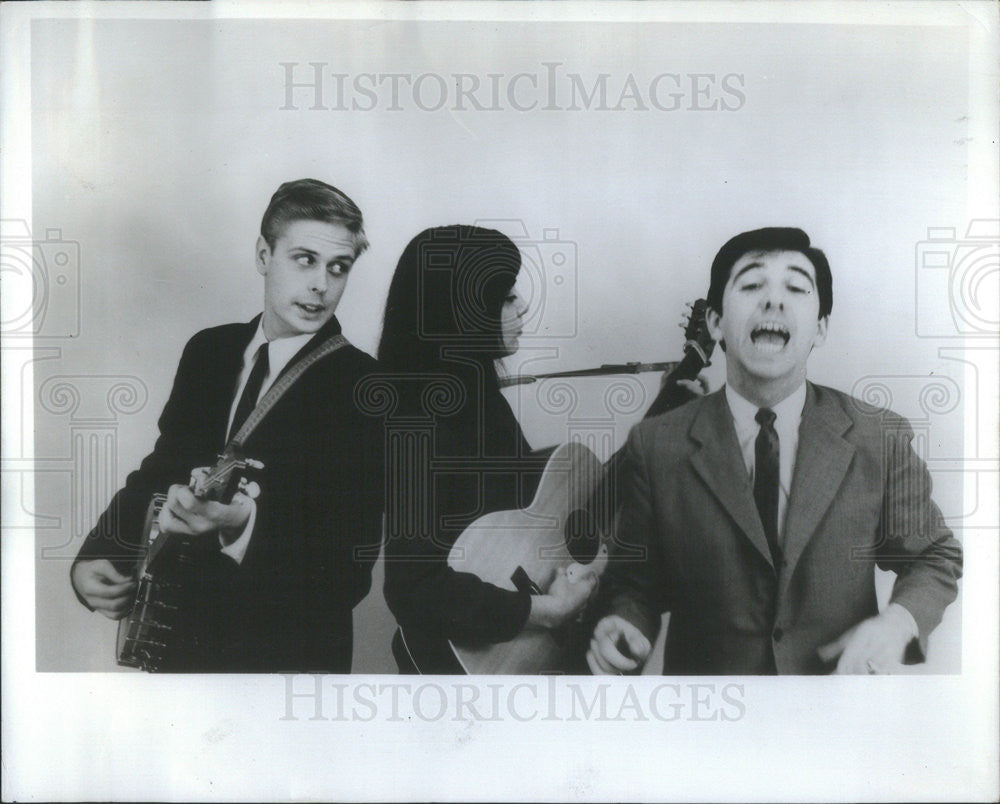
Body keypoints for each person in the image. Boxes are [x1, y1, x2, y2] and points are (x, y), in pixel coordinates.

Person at [587, 227, 963, 675]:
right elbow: (636, 581)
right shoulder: (655, 444)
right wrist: (625, 623)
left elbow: (933, 555)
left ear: (820, 327)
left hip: (839, 711)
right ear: (715, 322)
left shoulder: (878, 436)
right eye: (750, 285)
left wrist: (897, 623)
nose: (773, 301)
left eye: (796, 288)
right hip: (711, 720)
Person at [70, 179, 385, 672]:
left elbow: (348, 571)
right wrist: (94, 557)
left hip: (284, 661)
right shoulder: (209, 350)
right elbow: (162, 467)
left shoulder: (367, 385)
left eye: (338, 267)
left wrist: (244, 526)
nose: (322, 284)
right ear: (264, 254)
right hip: (179, 642)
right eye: (304, 259)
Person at [377, 224, 597, 673]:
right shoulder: (420, 422)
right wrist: (549, 612)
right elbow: (412, 587)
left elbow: (524, 519)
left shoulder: (473, 394)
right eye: (505, 295)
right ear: (462, 311)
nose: (523, 304)